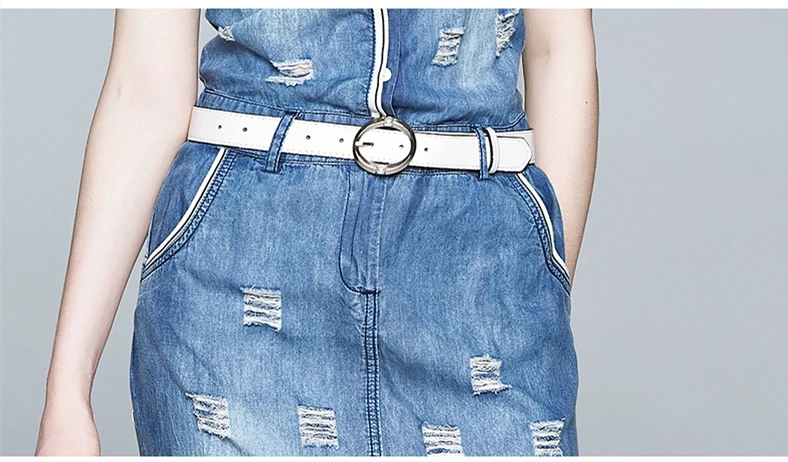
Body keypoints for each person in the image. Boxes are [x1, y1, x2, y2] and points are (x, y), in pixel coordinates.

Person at [35, 8, 598, 456]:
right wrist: (67, 392)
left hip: (477, 275)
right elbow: (145, 89)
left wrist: (541, 282)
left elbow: (559, 49)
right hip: (241, 271)